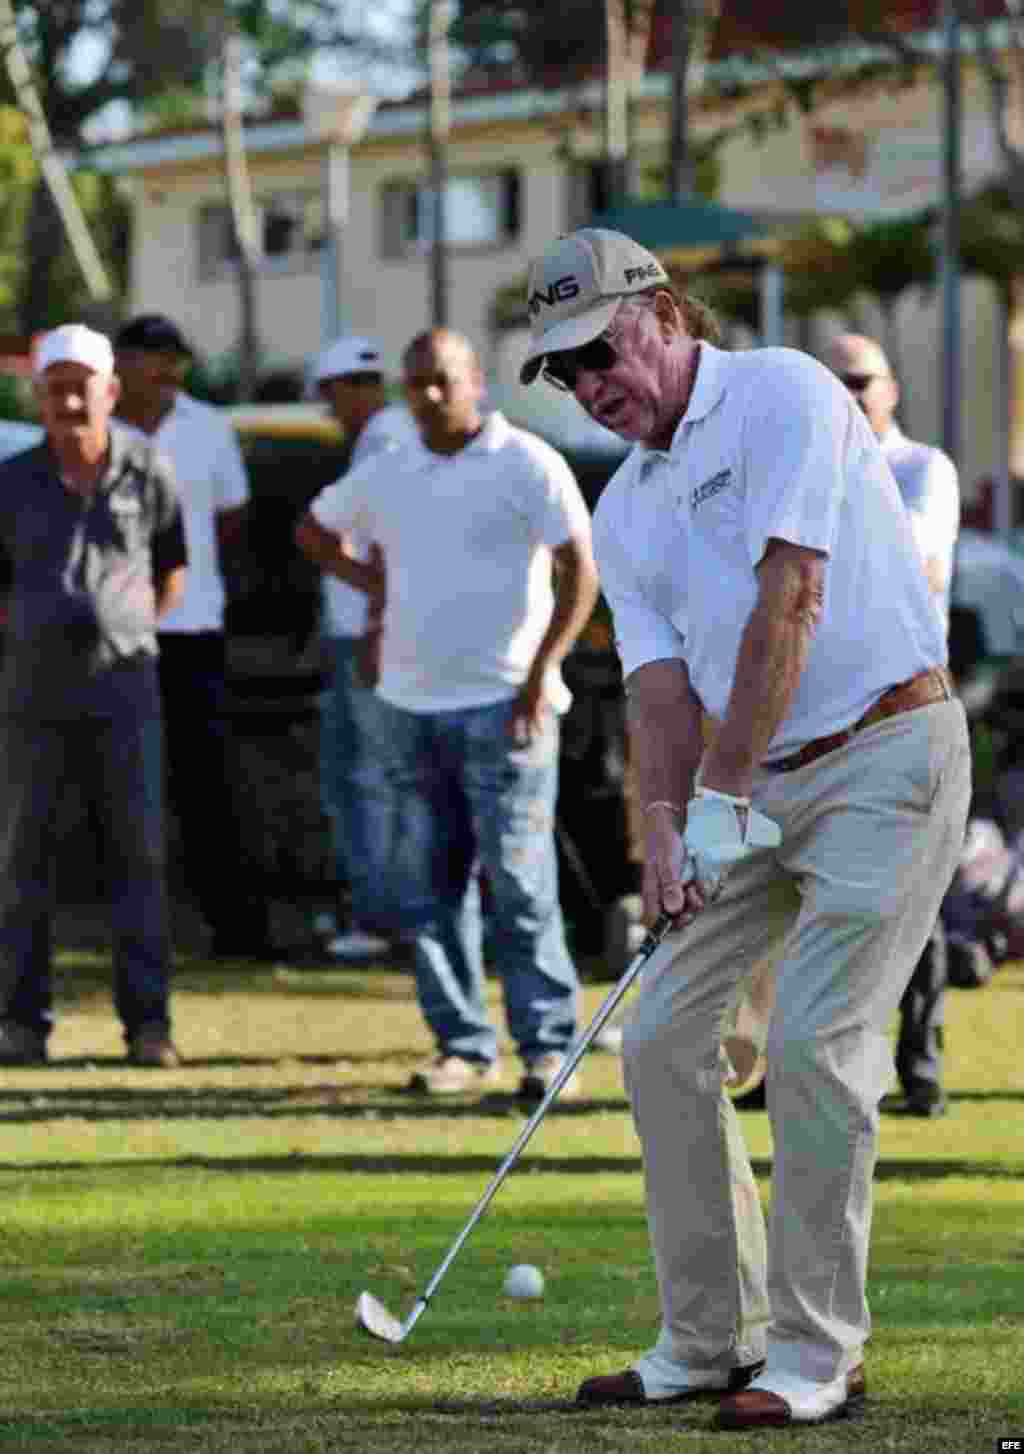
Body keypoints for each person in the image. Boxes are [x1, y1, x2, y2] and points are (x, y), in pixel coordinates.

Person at [520, 227, 970, 1426]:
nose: (594, 385)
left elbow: (794, 602)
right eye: (566, 374)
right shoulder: (626, 504)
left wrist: (715, 801)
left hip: (888, 756)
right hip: (749, 787)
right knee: (659, 1035)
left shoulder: (781, 390)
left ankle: (820, 1351)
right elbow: (659, 691)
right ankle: (707, 1338)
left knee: (820, 1044)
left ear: (664, 313)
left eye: (600, 351)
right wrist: (665, 824)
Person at [294, 328, 599, 1100]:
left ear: (475, 385)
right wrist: (378, 591)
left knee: (522, 886)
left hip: (507, 705)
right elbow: (314, 531)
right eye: (416, 383)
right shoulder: (390, 470)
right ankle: (463, 1047)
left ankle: (546, 1048)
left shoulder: (527, 462)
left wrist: (543, 669)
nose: (428, 396)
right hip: (408, 704)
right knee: (430, 893)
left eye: (442, 381)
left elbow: (579, 569)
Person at [0, 324, 188, 1067]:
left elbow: (172, 566)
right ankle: (19, 1025)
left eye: (83, 385)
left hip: (126, 687)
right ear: (38, 397)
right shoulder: (10, 480)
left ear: (111, 391)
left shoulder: (148, 469)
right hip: (32, 692)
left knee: (138, 855)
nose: (69, 399)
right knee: (21, 859)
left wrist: (131, 625)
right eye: (55, 388)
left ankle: (149, 1027)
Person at [112, 313, 280, 963]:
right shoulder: (97, 429)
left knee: (209, 789)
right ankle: (127, 930)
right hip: (115, 635)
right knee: (119, 785)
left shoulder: (210, 430)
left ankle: (237, 931)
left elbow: (232, 523)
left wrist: (203, 588)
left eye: (172, 358)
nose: (163, 370)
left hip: (195, 633)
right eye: (149, 357)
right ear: (121, 365)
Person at [827, 332, 961, 1118]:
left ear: (891, 388)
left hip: (906, 712)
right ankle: (804, 1068)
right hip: (825, 715)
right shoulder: (812, 470)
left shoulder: (921, 469)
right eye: (833, 384)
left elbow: (918, 562)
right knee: (818, 902)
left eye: (860, 381)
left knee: (921, 902)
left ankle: (922, 1069)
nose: (847, 396)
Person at [297, 335, 419, 961]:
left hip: (371, 636)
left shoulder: (386, 438)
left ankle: (384, 919)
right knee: (362, 776)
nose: (332, 411)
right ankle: (381, 914)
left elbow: (387, 543)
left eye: (333, 397)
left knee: (374, 778)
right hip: (362, 632)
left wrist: (375, 605)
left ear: (349, 390)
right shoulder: (387, 436)